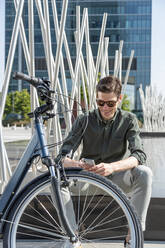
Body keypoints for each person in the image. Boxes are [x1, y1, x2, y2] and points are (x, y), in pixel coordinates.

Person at [56, 75, 152, 248]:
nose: (105, 108)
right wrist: (77, 164)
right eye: (100, 103)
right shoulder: (84, 119)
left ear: (119, 99)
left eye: (110, 103)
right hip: (87, 179)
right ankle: (73, 237)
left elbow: (139, 155)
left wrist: (112, 167)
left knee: (145, 173)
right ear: (96, 100)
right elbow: (61, 158)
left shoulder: (129, 119)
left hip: (116, 178)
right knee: (55, 179)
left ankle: (133, 235)